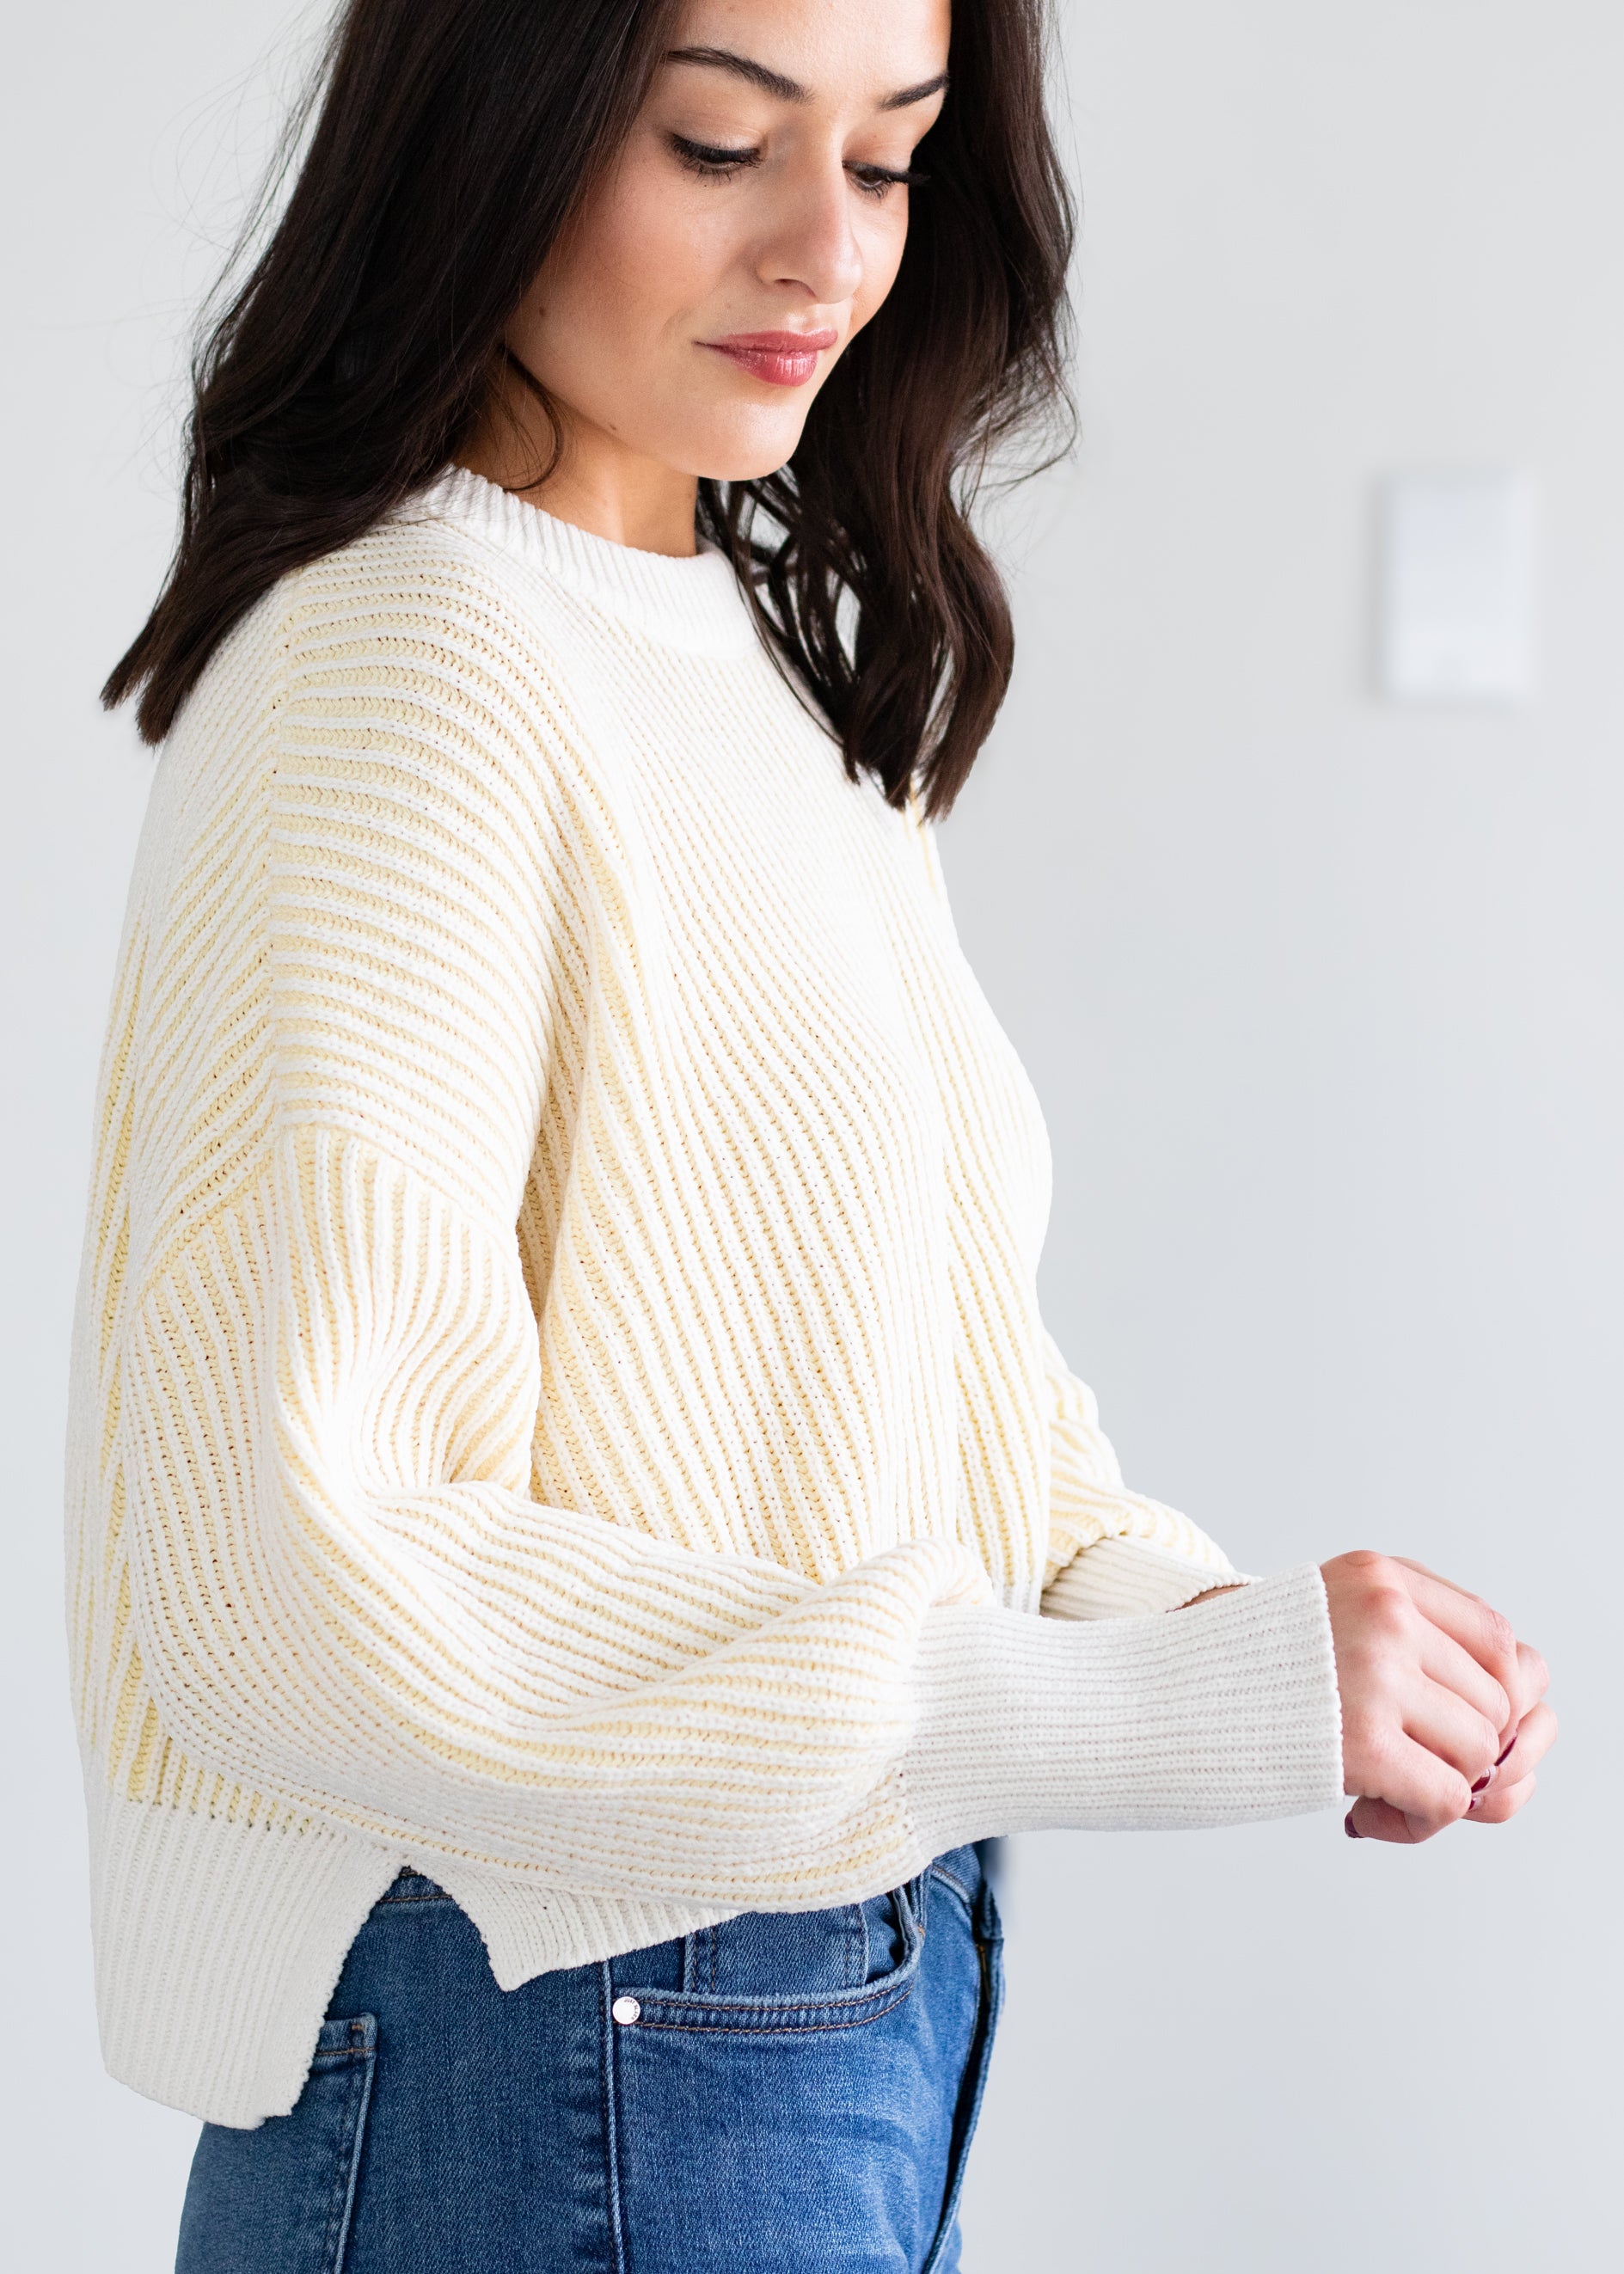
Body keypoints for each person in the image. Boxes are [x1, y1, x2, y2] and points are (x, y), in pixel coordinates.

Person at [70, 0, 1555, 2266]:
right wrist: (1103, 1703)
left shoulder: (763, 668)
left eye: (883, 162)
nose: (822, 255)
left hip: (796, 2002)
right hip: (550, 2023)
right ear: (491, 127)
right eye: (717, 143)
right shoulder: (408, 669)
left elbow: (939, 1399)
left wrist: (1216, 1638)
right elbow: (313, 1566)